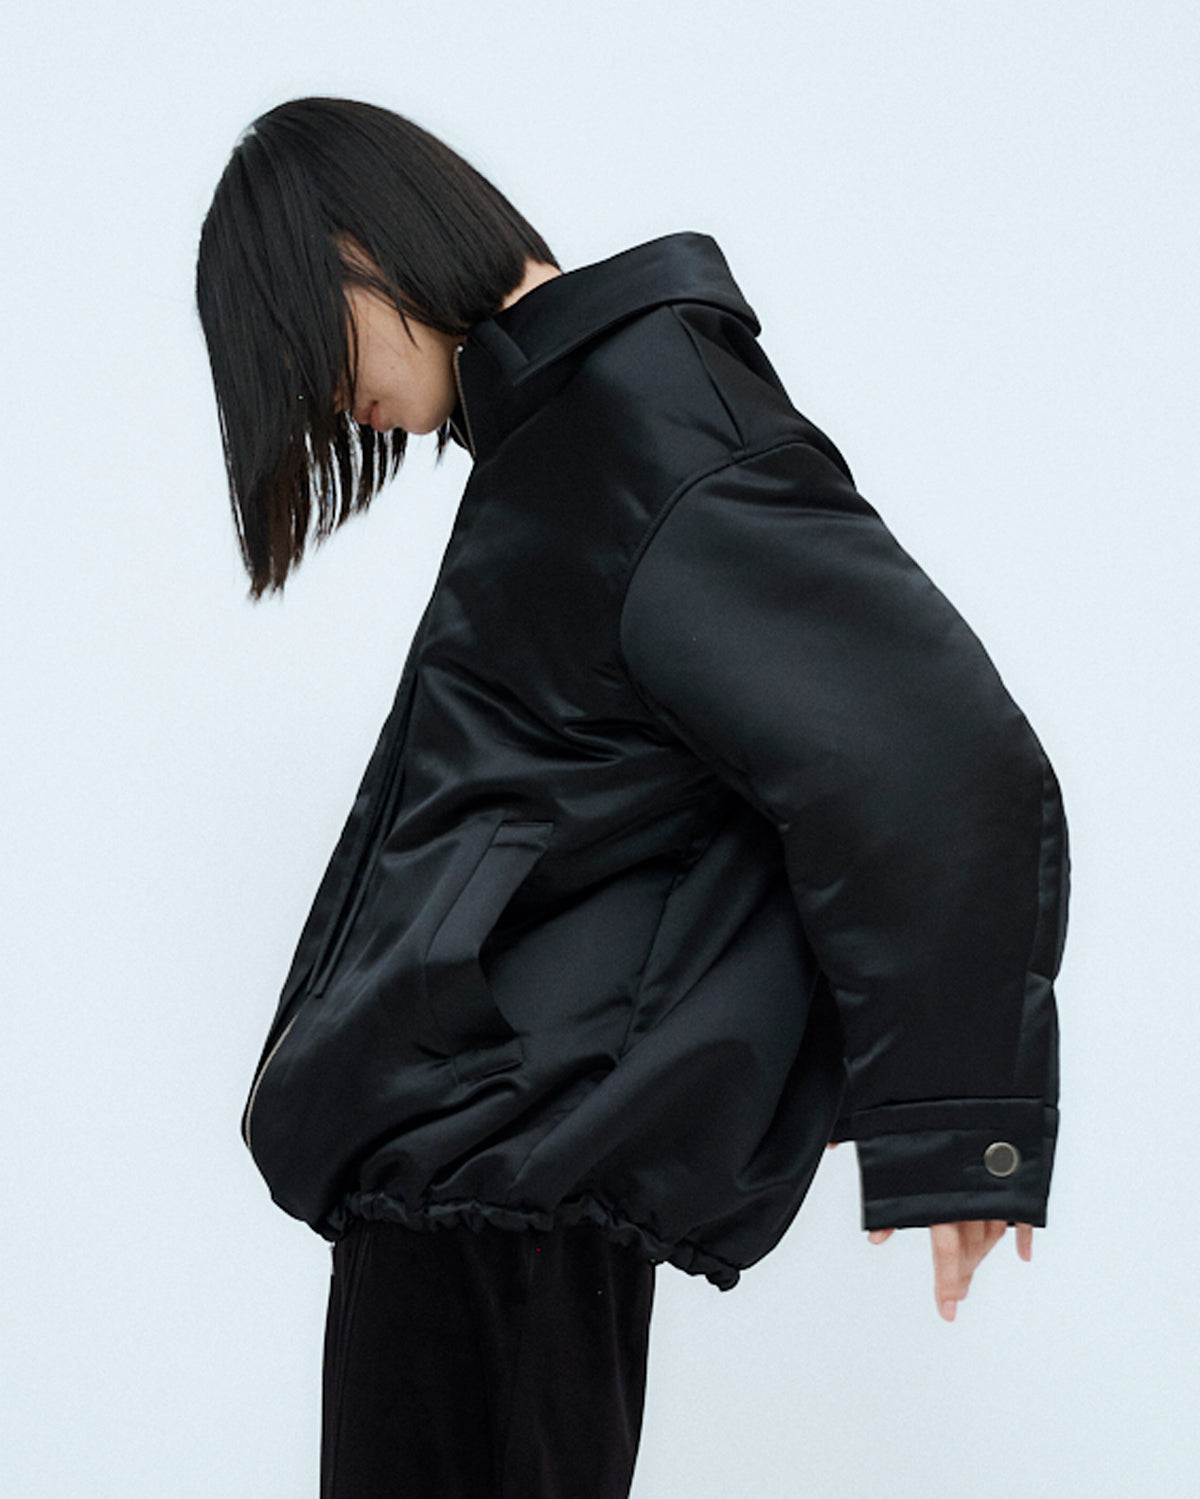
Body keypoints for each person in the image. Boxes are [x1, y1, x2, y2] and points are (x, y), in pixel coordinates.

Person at [195, 97, 1069, 1498]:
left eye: (299, 338)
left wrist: (963, 1121)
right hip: (467, 1188)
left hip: (512, 1196)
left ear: (364, 245)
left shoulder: (645, 427)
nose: (316, 397)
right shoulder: (561, 439)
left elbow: (932, 754)